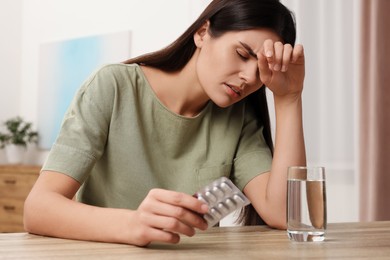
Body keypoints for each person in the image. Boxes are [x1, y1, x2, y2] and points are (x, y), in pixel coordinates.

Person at [24, 0, 306, 247]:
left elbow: (283, 213)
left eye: (261, 71)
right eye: (243, 54)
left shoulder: (239, 118)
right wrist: (134, 224)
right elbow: (38, 209)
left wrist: (289, 98)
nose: (249, 77)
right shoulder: (113, 87)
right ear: (202, 33)